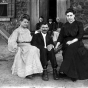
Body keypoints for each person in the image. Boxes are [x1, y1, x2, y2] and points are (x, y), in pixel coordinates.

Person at [55, 8, 88, 81]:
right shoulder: (64, 25)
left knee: (71, 48)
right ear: (66, 16)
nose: (69, 17)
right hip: (66, 43)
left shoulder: (79, 24)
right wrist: (57, 45)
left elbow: (80, 35)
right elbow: (61, 36)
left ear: (74, 15)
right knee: (69, 48)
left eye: (71, 15)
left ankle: (63, 70)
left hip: (77, 41)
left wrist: (72, 41)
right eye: (67, 16)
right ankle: (72, 74)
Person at [8, 14, 43, 79]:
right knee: (31, 50)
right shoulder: (17, 31)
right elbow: (12, 40)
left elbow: (30, 39)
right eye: (24, 22)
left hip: (28, 45)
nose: (26, 23)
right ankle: (28, 72)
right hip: (21, 46)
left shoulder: (27, 30)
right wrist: (16, 47)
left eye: (27, 22)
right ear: (20, 22)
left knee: (35, 49)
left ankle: (34, 70)